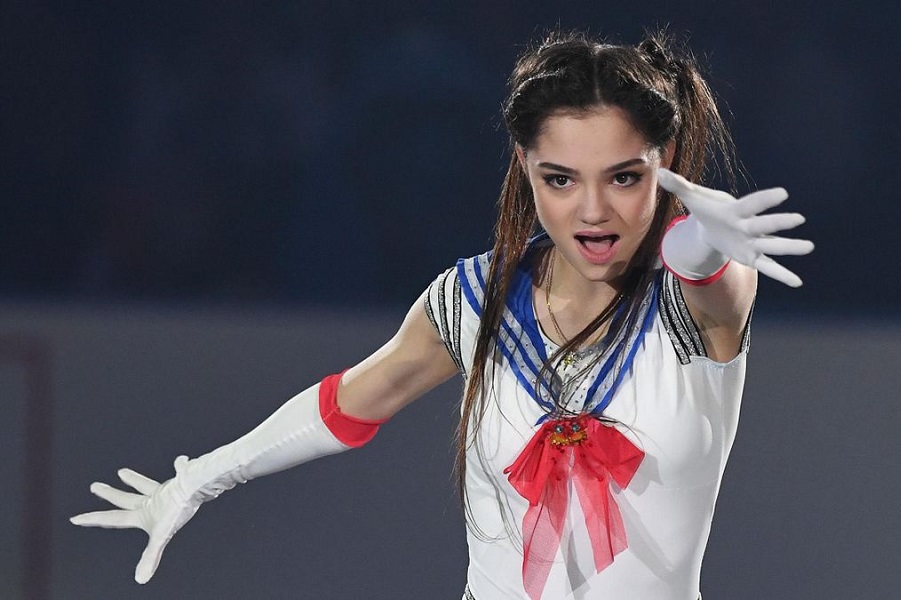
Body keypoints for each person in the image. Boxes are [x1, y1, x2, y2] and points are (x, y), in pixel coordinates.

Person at [71, 30, 813, 599]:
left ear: (665, 162)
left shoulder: (693, 305)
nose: (592, 210)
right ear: (524, 166)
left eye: (623, 177)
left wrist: (703, 237)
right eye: (561, 179)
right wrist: (199, 479)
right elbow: (346, 406)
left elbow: (707, 278)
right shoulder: (471, 299)